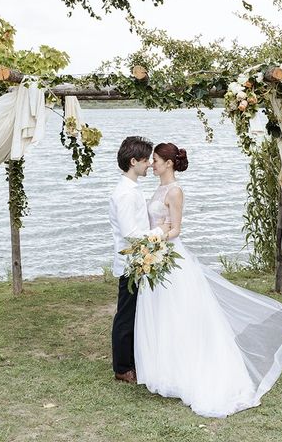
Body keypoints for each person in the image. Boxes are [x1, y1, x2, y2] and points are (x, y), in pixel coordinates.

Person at [134, 142, 282, 418]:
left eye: (156, 160)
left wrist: (156, 237)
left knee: (180, 314)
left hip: (170, 256)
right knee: (163, 314)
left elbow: (176, 229)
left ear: (169, 163)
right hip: (156, 256)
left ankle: (190, 370)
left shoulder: (174, 191)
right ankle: (167, 369)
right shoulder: (159, 188)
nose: (152, 164)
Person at [108, 136, 169, 383]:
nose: (149, 166)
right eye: (146, 161)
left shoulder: (132, 189)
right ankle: (122, 368)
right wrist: (160, 232)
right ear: (133, 161)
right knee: (126, 316)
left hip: (139, 261)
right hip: (130, 263)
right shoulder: (125, 194)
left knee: (135, 314)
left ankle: (134, 360)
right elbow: (130, 233)